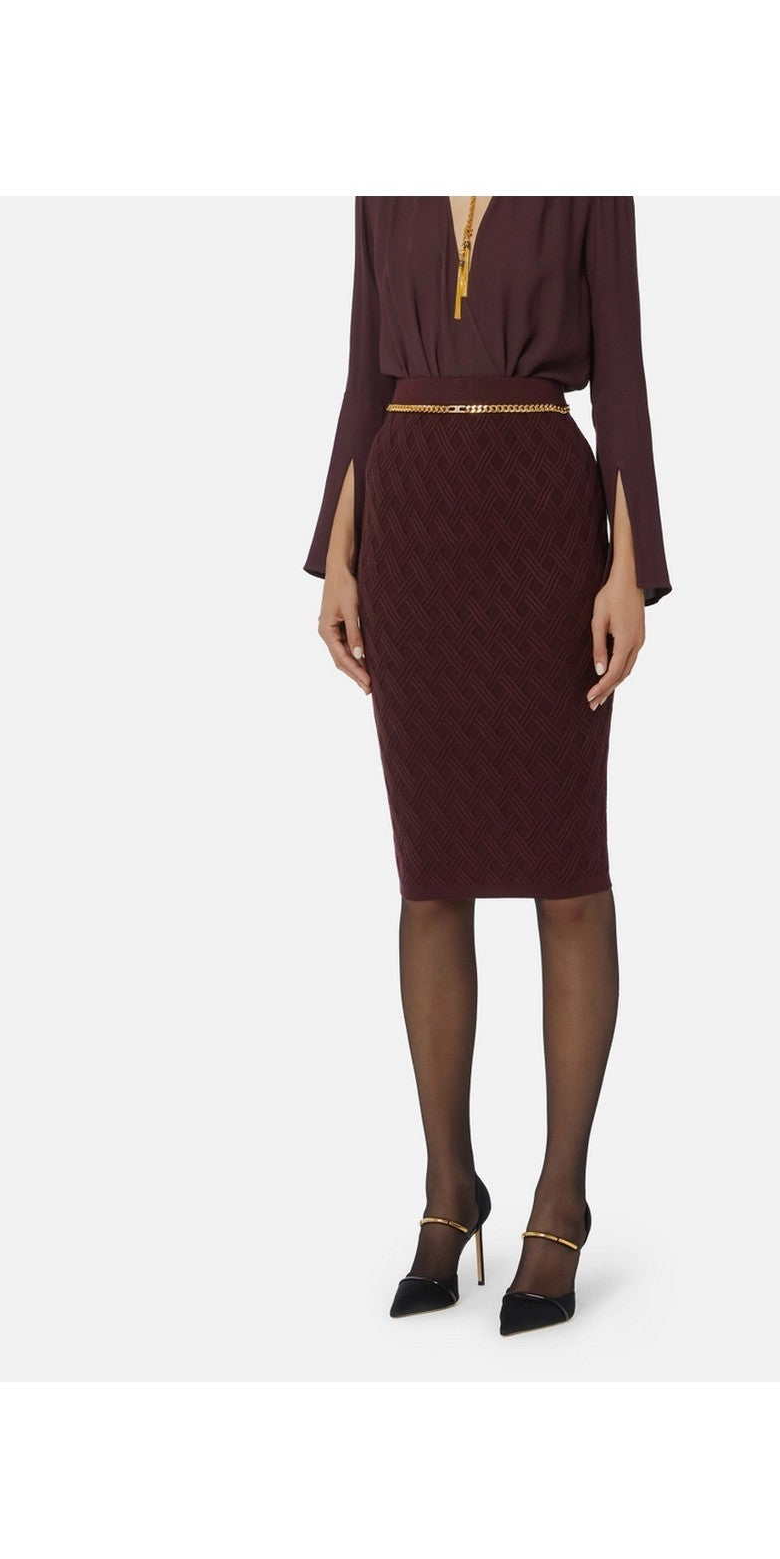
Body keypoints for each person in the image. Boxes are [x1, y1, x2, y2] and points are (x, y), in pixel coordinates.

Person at [304, 196, 672, 1335]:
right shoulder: (384, 178)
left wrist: (628, 569)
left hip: (542, 526)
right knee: (431, 877)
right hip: (412, 525)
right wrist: (339, 558)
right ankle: (448, 1187)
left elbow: (623, 381)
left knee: (568, 873)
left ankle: (561, 1201)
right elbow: (365, 375)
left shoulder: (589, 176)